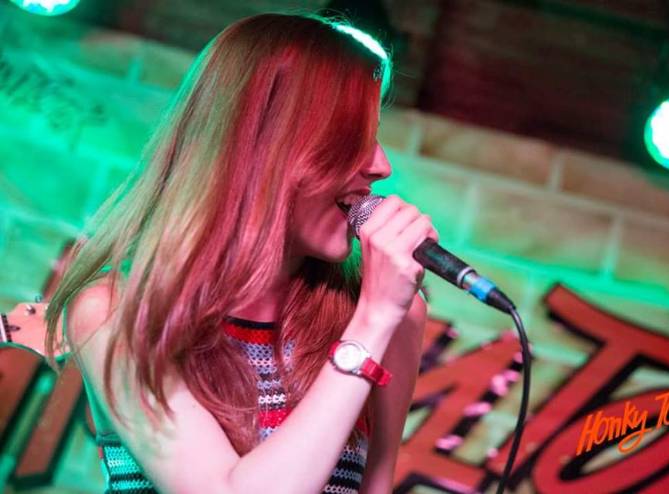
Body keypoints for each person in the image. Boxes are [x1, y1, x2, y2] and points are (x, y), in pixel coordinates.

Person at [45, 12, 438, 494]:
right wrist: (373, 321)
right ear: (265, 146)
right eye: (353, 140)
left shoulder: (389, 318)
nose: (381, 165)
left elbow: (375, 486)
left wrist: (379, 317)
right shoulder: (117, 310)